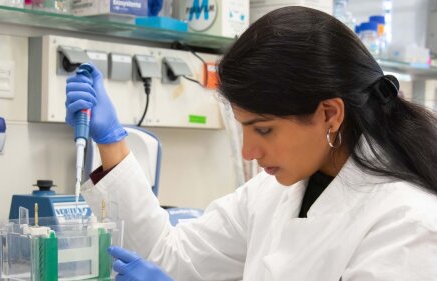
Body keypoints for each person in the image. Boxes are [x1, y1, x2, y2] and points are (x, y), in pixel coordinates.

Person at [65, 6, 437, 281]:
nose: (248, 152)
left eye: (264, 130)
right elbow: (170, 258)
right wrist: (112, 142)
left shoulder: (408, 224)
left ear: (329, 114)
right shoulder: (274, 192)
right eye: (244, 127)